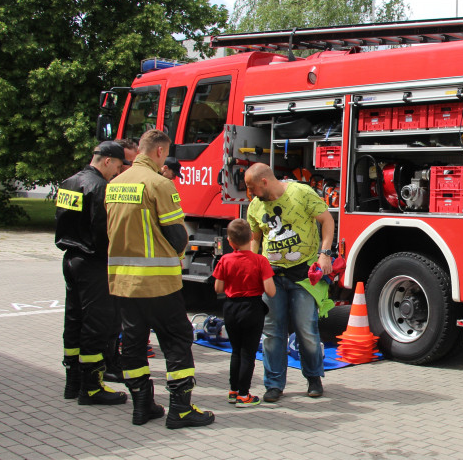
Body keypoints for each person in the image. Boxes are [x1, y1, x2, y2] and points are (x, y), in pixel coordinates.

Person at [106, 129, 214, 429]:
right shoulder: (159, 184)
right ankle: (180, 409)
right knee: (177, 340)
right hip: (158, 282)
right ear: (158, 152)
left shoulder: (114, 184)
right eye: (165, 154)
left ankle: (142, 406)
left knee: (133, 343)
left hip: (122, 282)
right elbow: (178, 235)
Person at [244, 163, 335, 403]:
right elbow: (256, 238)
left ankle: (314, 378)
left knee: (307, 330)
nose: (250, 194)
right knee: (272, 332)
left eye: (252, 188)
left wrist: (324, 253)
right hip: (272, 278)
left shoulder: (301, 193)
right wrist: (254, 266)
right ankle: (274, 384)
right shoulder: (254, 206)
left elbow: (327, 221)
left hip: (303, 276)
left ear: (264, 182)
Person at [55, 141, 131, 405]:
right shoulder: (100, 188)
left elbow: (62, 220)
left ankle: (72, 381)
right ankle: (92, 386)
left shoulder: (68, 183)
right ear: (107, 160)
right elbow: (102, 232)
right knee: (96, 323)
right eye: (118, 166)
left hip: (71, 259)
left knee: (74, 318)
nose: (117, 173)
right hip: (93, 262)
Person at [213, 218, 276, 407]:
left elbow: (218, 288)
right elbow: (270, 291)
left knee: (236, 352)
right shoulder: (260, 261)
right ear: (251, 238)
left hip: (231, 308)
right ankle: (244, 395)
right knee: (248, 353)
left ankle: (233, 391)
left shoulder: (225, 260)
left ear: (230, 242)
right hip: (252, 308)